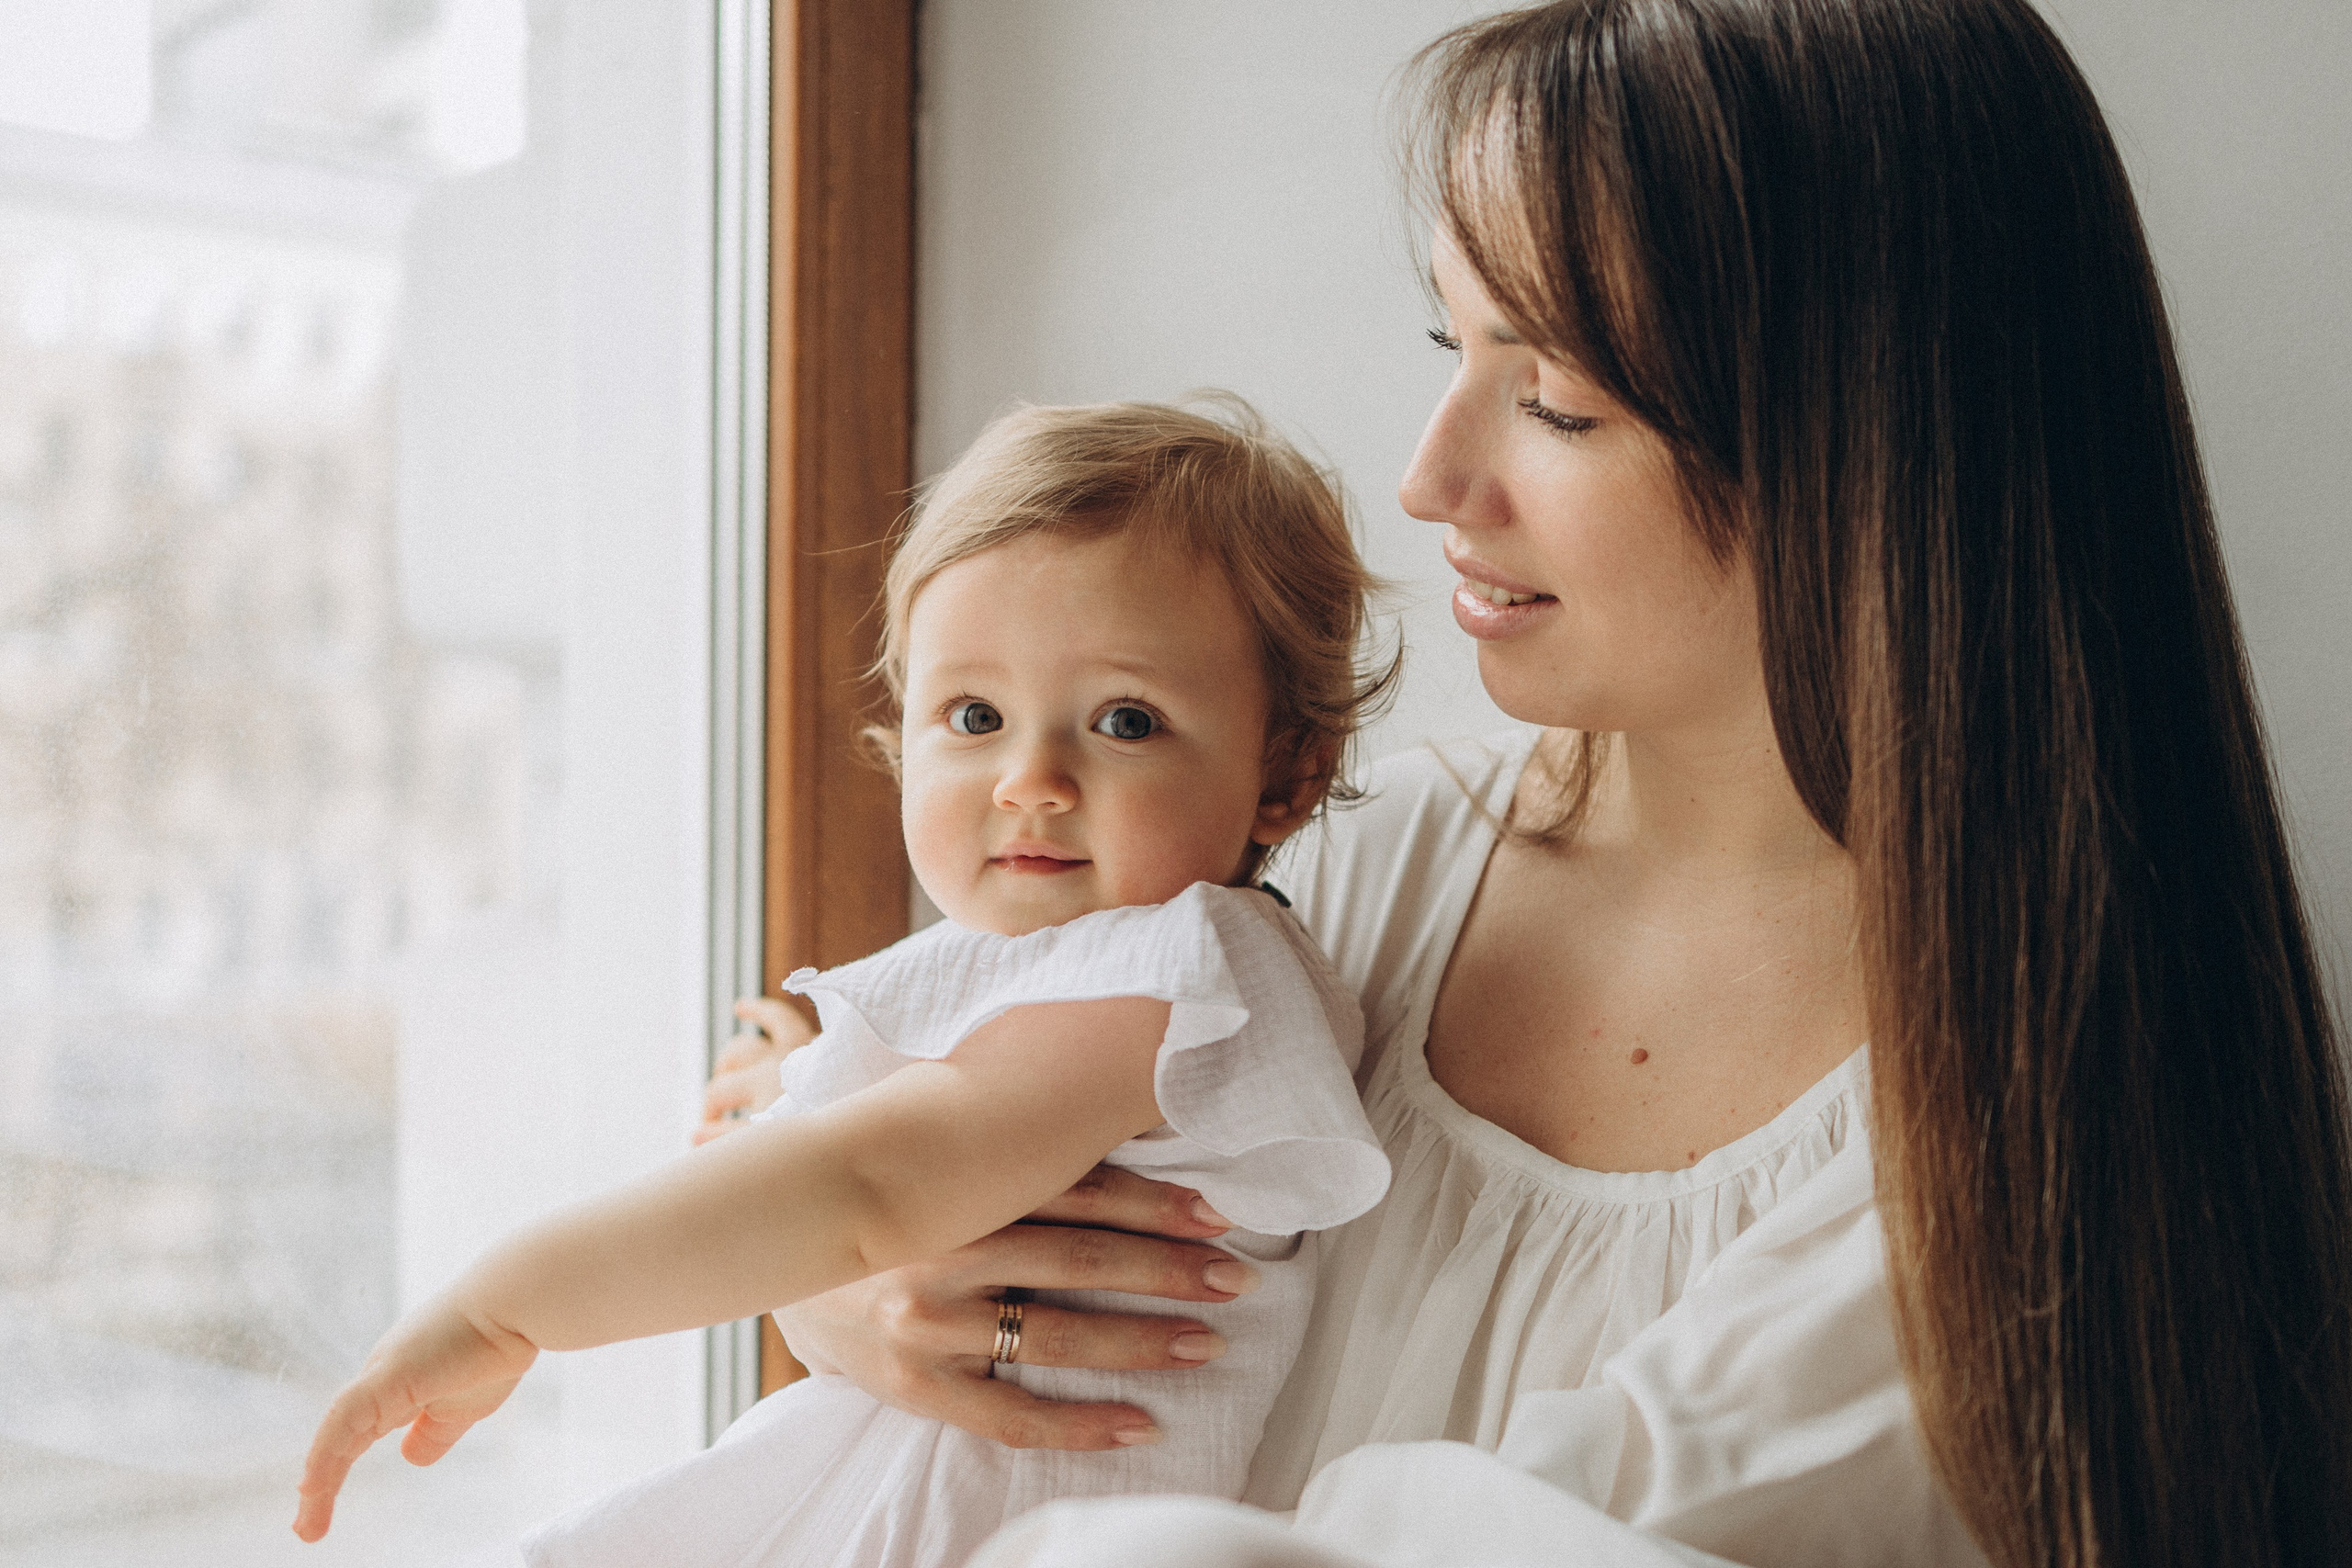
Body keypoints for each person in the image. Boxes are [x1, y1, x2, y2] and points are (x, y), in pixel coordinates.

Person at [727, 4, 2352, 1566]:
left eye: (1560, 400)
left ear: (1869, 452)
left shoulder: (2042, 1147)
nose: (1432, 478)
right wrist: (843, 1281)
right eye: (1455, 342)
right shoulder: (1345, 880)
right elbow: (862, 1108)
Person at [290, 398, 1403, 1567]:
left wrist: (504, 1304)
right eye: (974, 715)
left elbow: (866, 1185)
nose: (1030, 778)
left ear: (1284, 775)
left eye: (1124, 721)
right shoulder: (1078, 982)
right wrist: (820, 1081)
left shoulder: (1190, 968)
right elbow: (929, 1133)